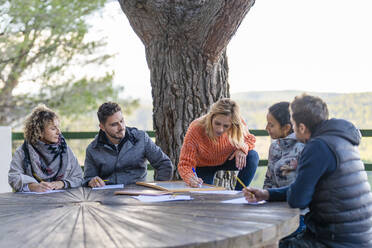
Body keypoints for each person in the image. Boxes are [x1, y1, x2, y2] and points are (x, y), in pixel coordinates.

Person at [243, 94, 372, 248]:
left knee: (263, 244)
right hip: (356, 237)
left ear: (302, 127)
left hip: (333, 240)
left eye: (294, 125)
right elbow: (304, 189)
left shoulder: (317, 147)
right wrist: (268, 194)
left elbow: (298, 199)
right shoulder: (341, 139)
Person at [83, 102, 174, 187]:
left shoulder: (141, 138)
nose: (121, 127)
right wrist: (92, 181)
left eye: (122, 121)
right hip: (108, 197)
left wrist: (158, 189)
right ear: (102, 127)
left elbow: (164, 164)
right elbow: (88, 179)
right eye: (114, 124)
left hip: (138, 195)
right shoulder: (93, 149)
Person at [178, 98, 259, 190]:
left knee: (252, 156)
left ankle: (239, 193)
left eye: (226, 126)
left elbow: (250, 139)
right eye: (217, 123)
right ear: (211, 117)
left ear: (232, 124)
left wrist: (242, 149)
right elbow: (185, 163)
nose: (220, 129)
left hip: (228, 159)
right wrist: (190, 177)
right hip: (203, 166)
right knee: (204, 197)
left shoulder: (237, 124)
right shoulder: (197, 127)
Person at [8, 105, 83, 192]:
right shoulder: (23, 151)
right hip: (32, 202)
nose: (59, 132)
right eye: (53, 128)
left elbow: (79, 177)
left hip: (62, 201)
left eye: (58, 127)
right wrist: (33, 186)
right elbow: (13, 177)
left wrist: (62, 183)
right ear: (39, 131)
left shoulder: (65, 150)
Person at [263, 101, 306, 235]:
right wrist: (263, 198)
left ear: (286, 128)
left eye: (271, 125)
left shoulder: (303, 147)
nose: (266, 128)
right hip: (274, 209)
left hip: (299, 214)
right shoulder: (274, 147)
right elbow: (269, 178)